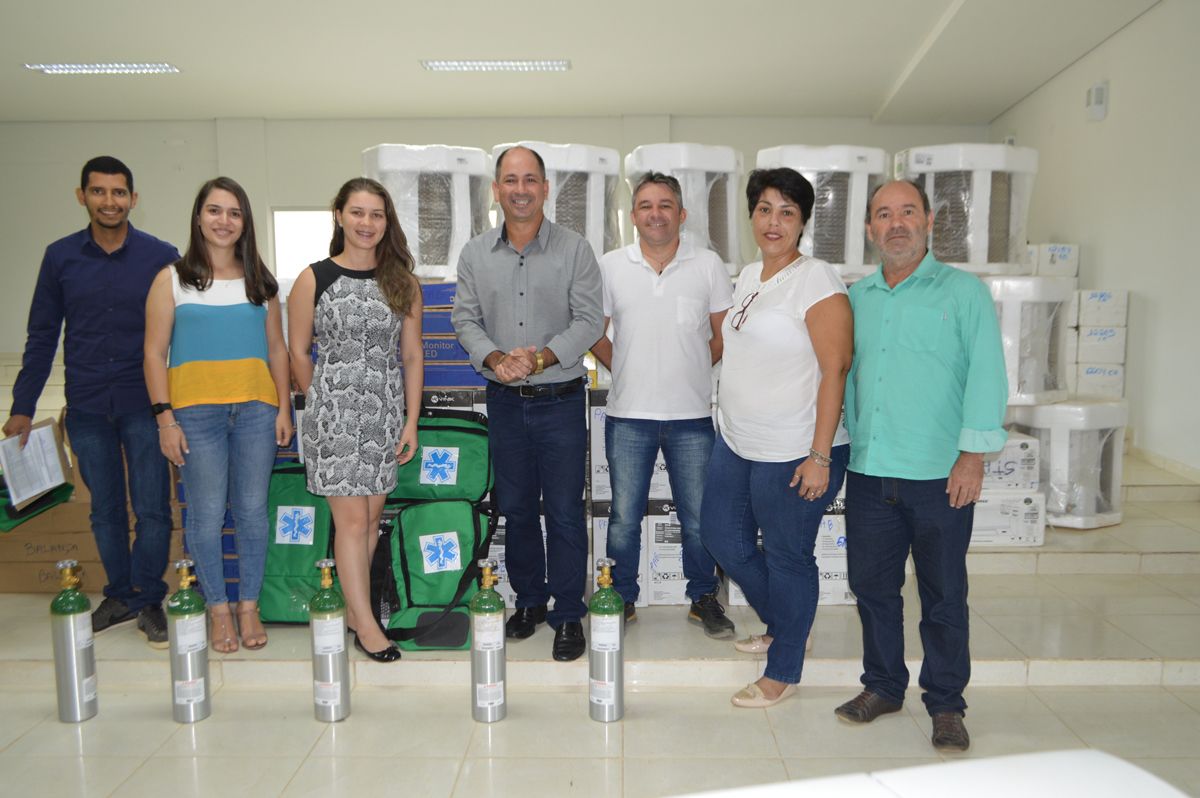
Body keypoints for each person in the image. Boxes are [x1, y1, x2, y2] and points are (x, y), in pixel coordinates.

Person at [834, 179, 1008, 752]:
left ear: (930, 221)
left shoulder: (963, 294)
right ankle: (883, 685)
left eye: (908, 212)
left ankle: (946, 703)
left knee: (942, 593)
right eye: (884, 214)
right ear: (869, 230)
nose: (897, 223)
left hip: (940, 475)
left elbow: (986, 374)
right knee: (873, 588)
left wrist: (972, 455)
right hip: (870, 471)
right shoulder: (856, 299)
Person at [4, 156, 178, 647]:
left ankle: (148, 599)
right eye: (98, 191)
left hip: (145, 404)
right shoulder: (60, 257)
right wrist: (22, 407)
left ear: (133, 199)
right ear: (81, 195)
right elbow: (42, 335)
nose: (109, 201)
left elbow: (179, 332)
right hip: (85, 405)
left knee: (151, 507)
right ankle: (119, 595)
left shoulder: (160, 256)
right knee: (104, 509)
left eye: (118, 192)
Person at [700, 167, 853, 708]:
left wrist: (819, 455)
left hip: (794, 447)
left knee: (788, 555)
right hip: (738, 440)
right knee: (723, 538)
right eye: (764, 209)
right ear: (751, 216)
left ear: (803, 222)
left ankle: (784, 665)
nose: (774, 221)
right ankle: (790, 622)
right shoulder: (747, 275)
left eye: (787, 212)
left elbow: (836, 368)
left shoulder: (817, 280)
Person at [452, 146, 603, 662]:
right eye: (510, 180)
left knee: (562, 512)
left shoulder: (575, 249)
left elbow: (589, 321)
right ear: (496, 189)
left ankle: (566, 615)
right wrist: (496, 358)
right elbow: (464, 320)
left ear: (545, 187)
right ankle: (529, 603)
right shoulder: (473, 254)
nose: (521, 189)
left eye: (530, 179)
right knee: (516, 511)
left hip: (560, 399)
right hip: (505, 402)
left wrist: (538, 360)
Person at [144, 177, 293, 652]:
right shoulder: (171, 279)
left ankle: (248, 606)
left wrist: (284, 408)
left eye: (233, 212)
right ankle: (218, 610)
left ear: (245, 221)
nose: (223, 221)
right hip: (194, 414)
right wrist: (165, 418)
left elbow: (277, 349)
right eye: (214, 210)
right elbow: (153, 353)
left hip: (255, 410)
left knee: (251, 513)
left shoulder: (261, 282)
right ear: (198, 217)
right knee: (206, 515)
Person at [590, 171, 734, 636]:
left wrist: (691, 365)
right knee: (624, 518)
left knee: (697, 518)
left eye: (665, 205)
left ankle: (703, 598)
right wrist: (624, 366)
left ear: (682, 214)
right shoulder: (611, 265)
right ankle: (623, 597)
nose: (656, 214)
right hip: (628, 416)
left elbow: (722, 334)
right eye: (646, 205)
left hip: (692, 416)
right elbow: (594, 330)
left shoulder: (708, 264)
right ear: (633, 216)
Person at [288, 177, 423, 663]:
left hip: (385, 413)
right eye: (358, 213)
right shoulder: (314, 278)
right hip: (335, 415)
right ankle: (367, 626)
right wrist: (324, 399)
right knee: (349, 521)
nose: (367, 223)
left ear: (387, 222)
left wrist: (410, 422)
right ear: (340, 215)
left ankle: (354, 610)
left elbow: (411, 356)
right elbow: (299, 352)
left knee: (369, 521)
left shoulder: (402, 282)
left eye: (377, 215)